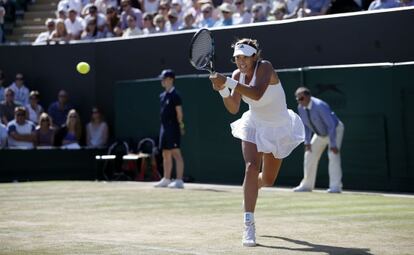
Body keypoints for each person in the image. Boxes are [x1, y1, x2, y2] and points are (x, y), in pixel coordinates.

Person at [209, 38, 305, 247]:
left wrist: (227, 82)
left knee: (268, 180)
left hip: (278, 126)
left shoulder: (266, 67)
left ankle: (252, 188)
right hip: (253, 124)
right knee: (251, 167)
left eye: (244, 56)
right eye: (237, 58)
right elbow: (233, 107)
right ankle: (249, 224)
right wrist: (223, 90)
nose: (241, 61)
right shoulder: (236, 75)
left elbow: (257, 94)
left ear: (254, 56)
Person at [292, 87, 344, 193]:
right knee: (309, 155)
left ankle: (335, 187)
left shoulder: (320, 106)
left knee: (333, 156)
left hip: (334, 130)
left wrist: (333, 144)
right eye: (297, 99)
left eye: (301, 98)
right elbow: (306, 126)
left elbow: (331, 125)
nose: (299, 101)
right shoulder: (300, 107)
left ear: (308, 97)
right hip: (319, 134)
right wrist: (307, 142)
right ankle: (307, 186)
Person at [154, 69, 186, 189]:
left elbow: (179, 113)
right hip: (164, 127)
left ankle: (179, 180)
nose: (162, 81)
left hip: (173, 127)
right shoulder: (162, 96)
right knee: (165, 153)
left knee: (176, 153)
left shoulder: (175, 96)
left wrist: (181, 125)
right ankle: (166, 179)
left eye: (164, 78)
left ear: (170, 80)